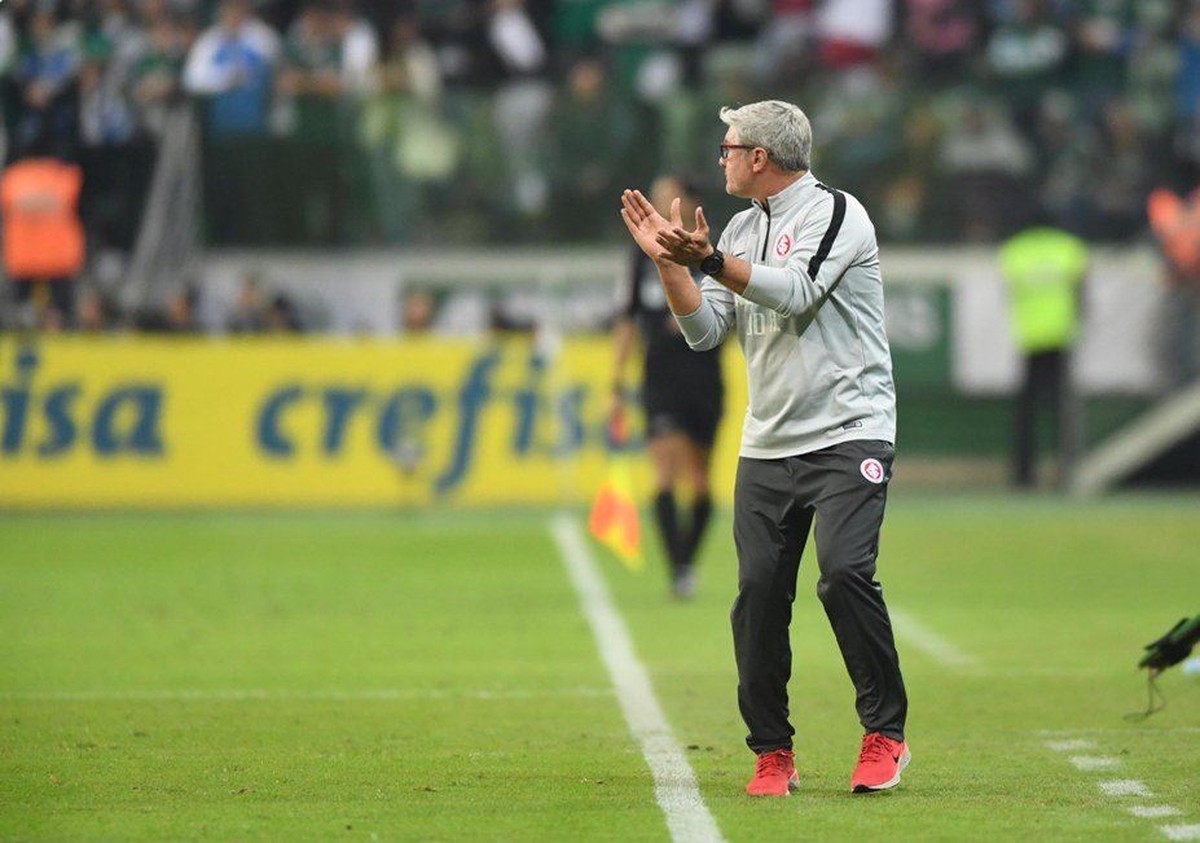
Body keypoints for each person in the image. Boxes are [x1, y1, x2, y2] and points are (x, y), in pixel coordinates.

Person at [619, 99, 909, 797]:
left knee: (843, 572)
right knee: (757, 595)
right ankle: (772, 751)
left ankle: (886, 734)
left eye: (729, 144)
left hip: (849, 429)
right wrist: (669, 266)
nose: (720, 154)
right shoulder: (745, 225)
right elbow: (705, 332)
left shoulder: (839, 213)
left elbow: (798, 291)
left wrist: (713, 259)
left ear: (760, 157)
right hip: (770, 441)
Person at [610, 174, 724, 599]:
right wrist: (615, 380)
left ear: (690, 202)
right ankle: (678, 568)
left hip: (704, 376)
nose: (659, 204)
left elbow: (737, 310)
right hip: (659, 375)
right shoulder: (641, 257)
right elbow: (627, 317)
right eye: (655, 197)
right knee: (664, 472)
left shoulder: (709, 253)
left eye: (667, 197)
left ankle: (686, 562)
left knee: (699, 480)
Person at [998, 224, 1088, 489]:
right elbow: (1081, 291)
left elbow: (1008, 291)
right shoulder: (1069, 247)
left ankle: (1024, 475)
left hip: (1030, 337)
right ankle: (1067, 472)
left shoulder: (1016, 250)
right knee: (1064, 412)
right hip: (1060, 334)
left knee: (1027, 414)